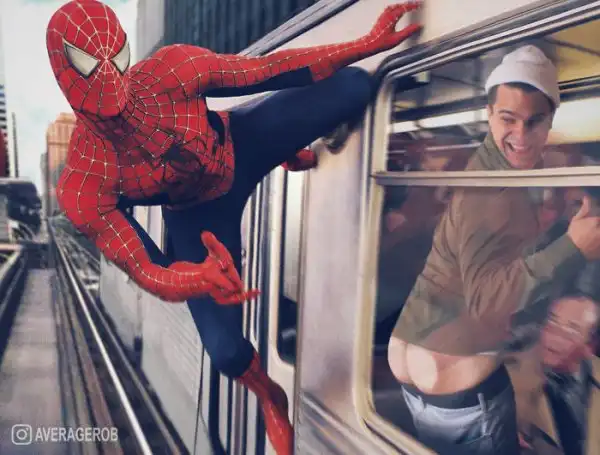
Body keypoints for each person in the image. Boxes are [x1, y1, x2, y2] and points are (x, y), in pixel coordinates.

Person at [45, 1, 423, 454]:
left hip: (241, 142)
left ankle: (286, 147)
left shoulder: (172, 69)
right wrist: (196, 278)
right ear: (63, 69)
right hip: (197, 215)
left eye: (118, 58)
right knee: (225, 351)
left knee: (355, 87)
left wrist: (364, 44)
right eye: (89, 65)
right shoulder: (83, 184)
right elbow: (145, 266)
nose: (111, 82)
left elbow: (267, 70)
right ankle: (270, 396)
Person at [386, 44, 600, 455]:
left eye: (534, 122)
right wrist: (573, 248)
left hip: (431, 377)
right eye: (508, 119)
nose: (521, 135)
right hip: (459, 390)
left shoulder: (491, 169)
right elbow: (486, 301)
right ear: (489, 114)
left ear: (550, 121)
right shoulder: (494, 193)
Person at [509, 276, 600, 455]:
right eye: (552, 322)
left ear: (590, 347)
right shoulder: (507, 377)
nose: (555, 337)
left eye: (571, 331)